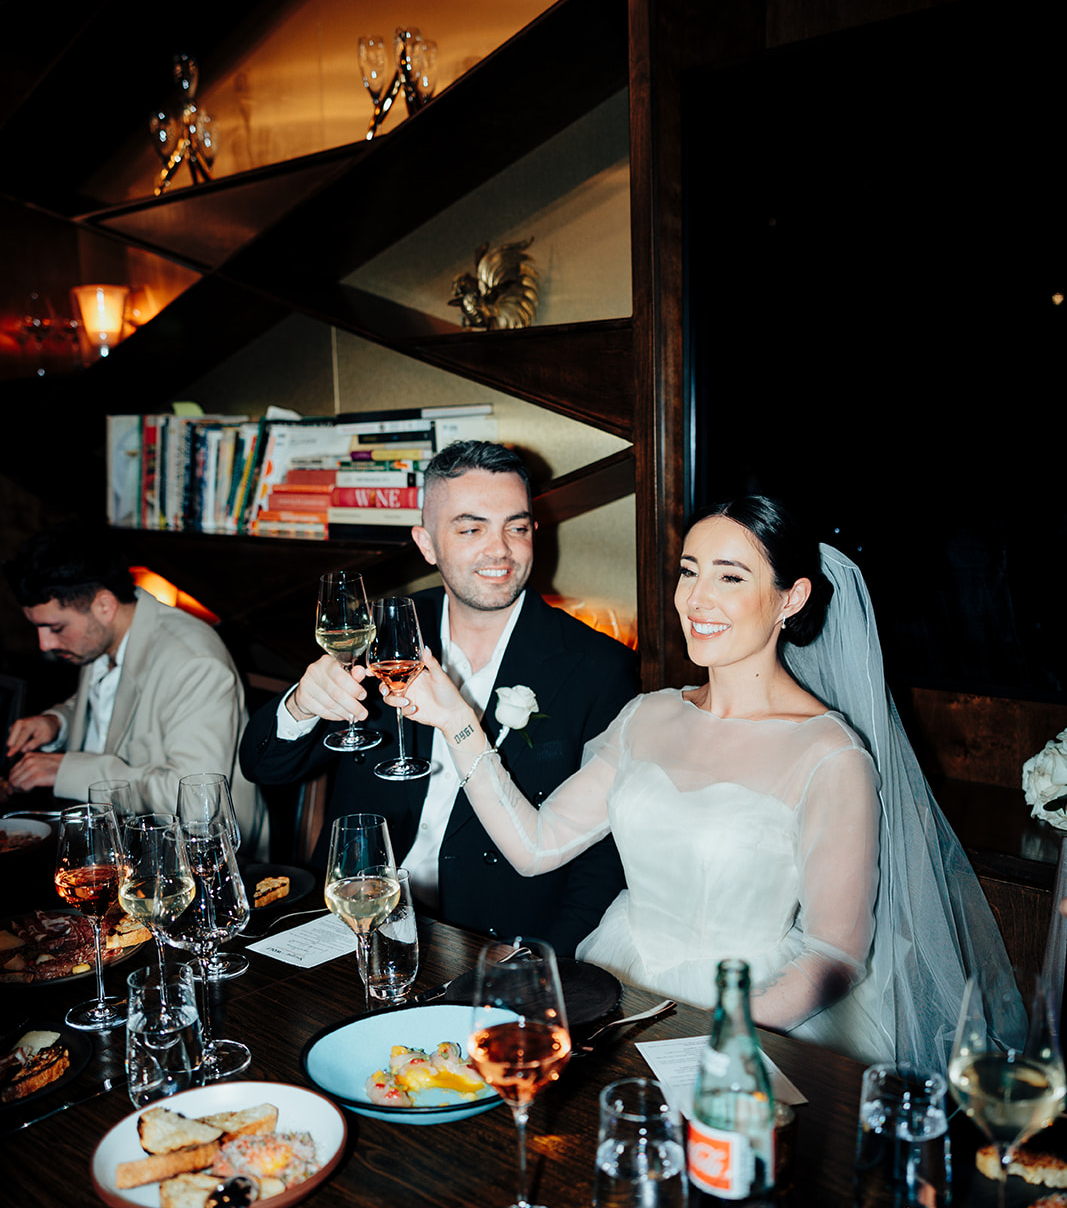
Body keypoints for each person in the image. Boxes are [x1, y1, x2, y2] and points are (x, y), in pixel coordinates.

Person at [380, 493, 1016, 1071]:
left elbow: (834, 956)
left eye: (730, 577)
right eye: (689, 571)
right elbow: (534, 846)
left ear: (790, 599)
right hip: (621, 982)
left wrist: (718, 1036)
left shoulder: (830, 755)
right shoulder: (648, 715)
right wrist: (457, 722)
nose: (696, 599)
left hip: (754, 1015)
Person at [239, 441, 639, 956]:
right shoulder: (375, 635)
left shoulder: (598, 666)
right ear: (427, 544)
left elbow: (603, 854)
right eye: (471, 529)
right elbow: (263, 765)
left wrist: (542, 961)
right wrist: (300, 705)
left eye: (516, 528)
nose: (499, 550)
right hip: (352, 918)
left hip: (491, 941)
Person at [4, 523, 264, 850]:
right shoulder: (100, 636)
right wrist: (57, 722)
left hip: (202, 861)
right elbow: (109, 706)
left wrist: (67, 771)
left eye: (56, 627)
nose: (44, 644)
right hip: (122, 844)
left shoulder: (194, 662)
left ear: (104, 605)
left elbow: (199, 803)